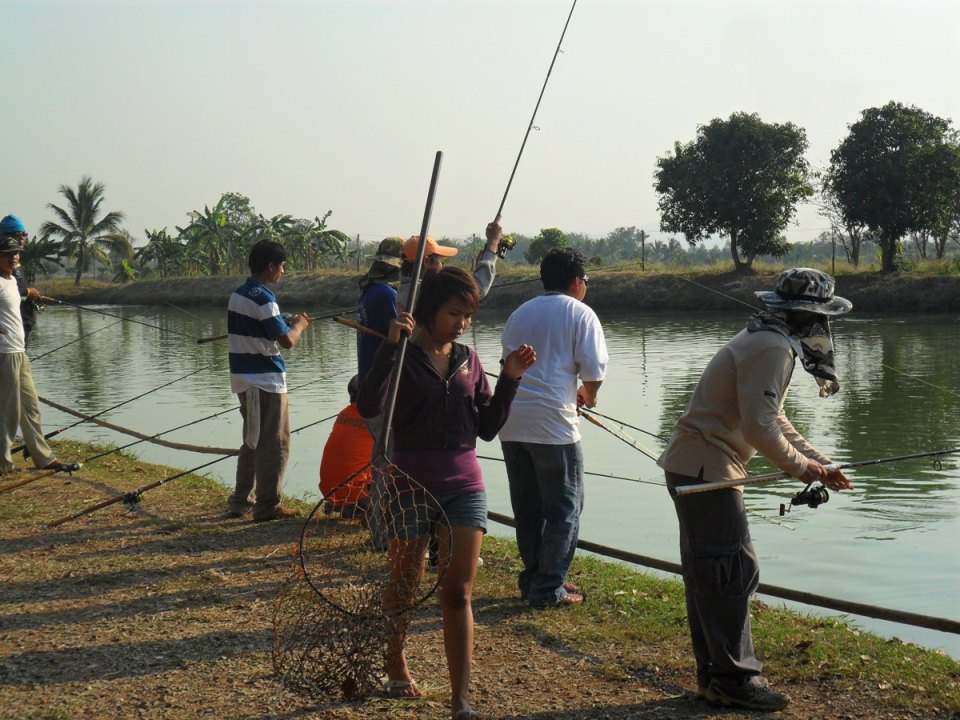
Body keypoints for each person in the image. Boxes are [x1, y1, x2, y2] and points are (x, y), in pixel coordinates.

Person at [658, 267, 855, 712]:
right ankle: (734, 679)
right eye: (821, 318)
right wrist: (803, 469)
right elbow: (759, 426)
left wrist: (820, 463)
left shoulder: (766, 339)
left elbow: (773, 417)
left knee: (712, 574)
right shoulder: (771, 347)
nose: (824, 328)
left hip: (699, 468)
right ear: (806, 316)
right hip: (707, 470)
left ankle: (716, 675)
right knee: (730, 572)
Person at [357, 266, 535, 720]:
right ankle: (395, 660)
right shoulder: (399, 354)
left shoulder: (470, 360)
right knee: (405, 581)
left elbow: (489, 428)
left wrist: (510, 376)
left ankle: (461, 699)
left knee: (457, 592)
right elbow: (370, 405)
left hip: (464, 484)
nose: (461, 323)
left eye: (469, 316)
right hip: (409, 483)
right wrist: (389, 346)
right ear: (430, 310)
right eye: (454, 313)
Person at [498, 248, 608, 608]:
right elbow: (592, 375)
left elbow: (510, 365)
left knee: (527, 507)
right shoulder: (582, 314)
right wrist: (586, 395)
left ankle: (534, 579)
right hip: (554, 428)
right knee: (565, 509)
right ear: (577, 282)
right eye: (585, 282)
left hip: (511, 421)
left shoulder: (520, 313)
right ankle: (548, 589)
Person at [226, 239, 310, 522]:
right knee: (275, 443)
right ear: (271, 266)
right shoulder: (263, 297)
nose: (283, 271)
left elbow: (265, 326)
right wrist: (299, 325)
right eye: (282, 266)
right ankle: (267, 505)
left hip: (244, 378)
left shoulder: (240, 293)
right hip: (264, 381)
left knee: (253, 439)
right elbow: (287, 341)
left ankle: (240, 500)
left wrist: (284, 320)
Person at [0, 233, 72, 474]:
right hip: (4, 353)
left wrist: (29, 293)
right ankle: (3, 463)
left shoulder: (11, 281)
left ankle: (44, 458)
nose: (13, 258)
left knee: (31, 407)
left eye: (15, 254)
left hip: (19, 351)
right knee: (8, 412)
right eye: (7, 255)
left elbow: (16, 299)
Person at [319, 375, 373, 515]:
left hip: (331, 495)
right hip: (357, 497)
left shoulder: (344, 413)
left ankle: (344, 505)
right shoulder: (377, 418)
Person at [0, 215, 40, 346]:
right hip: (8, 337)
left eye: (24, 234)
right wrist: (28, 292)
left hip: (21, 328)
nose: (22, 238)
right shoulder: (4, 266)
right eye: (18, 234)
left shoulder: (15, 262)